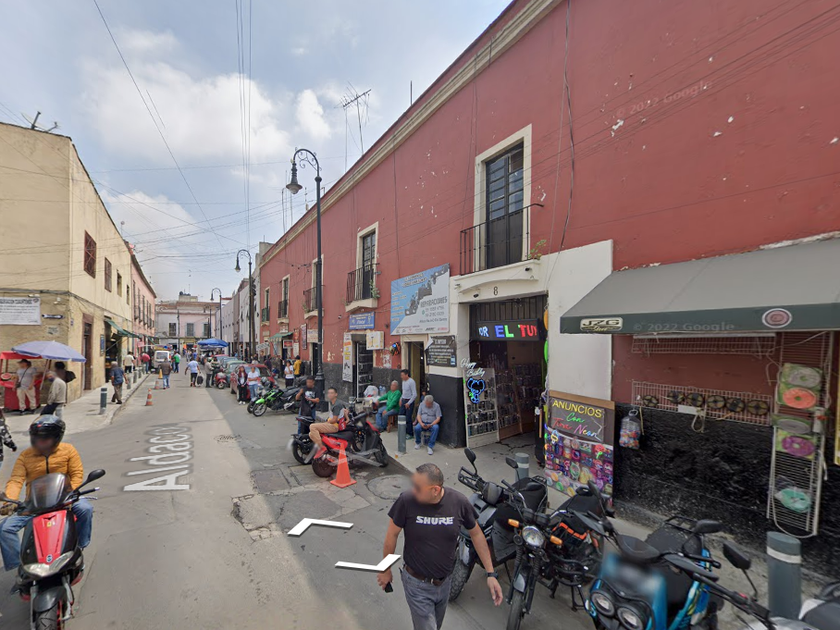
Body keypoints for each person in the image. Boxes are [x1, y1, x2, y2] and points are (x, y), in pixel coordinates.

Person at [377, 463, 502, 629]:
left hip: (444, 584)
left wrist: (491, 573)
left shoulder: (458, 502)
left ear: (435, 490)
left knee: (436, 624)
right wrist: (385, 569)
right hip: (416, 584)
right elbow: (392, 535)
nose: (413, 490)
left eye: (418, 488)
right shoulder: (406, 501)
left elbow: (477, 534)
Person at [0, 417, 94, 576]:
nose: (40, 442)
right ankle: (18, 568)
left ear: (57, 438)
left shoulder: (68, 450)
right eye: (37, 438)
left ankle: (78, 547)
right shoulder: (25, 456)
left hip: (65, 499)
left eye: (45, 438)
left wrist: (72, 493)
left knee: (85, 509)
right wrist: (9, 501)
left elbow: (76, 474)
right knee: (5, 528)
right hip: (35, 503)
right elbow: (16, 479)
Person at [306, 387, 347, 462]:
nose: (330, 395)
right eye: (329, 393)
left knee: (312, 426)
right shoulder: (333, 402)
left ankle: (322, 448)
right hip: (331, 424)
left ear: (336, 394)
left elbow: (334, 419)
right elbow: (344, 411)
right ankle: (324, 447)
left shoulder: (337, 404)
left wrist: (327, 422)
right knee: (311, 434)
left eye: (332, 393)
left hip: (334, 426)